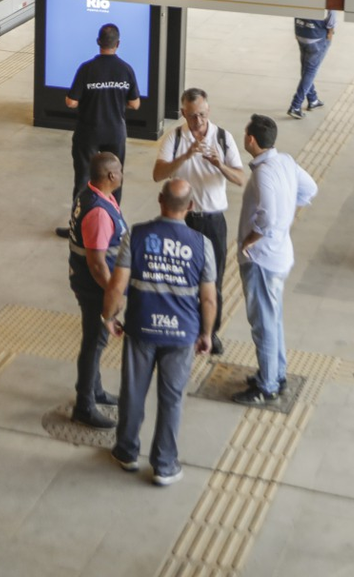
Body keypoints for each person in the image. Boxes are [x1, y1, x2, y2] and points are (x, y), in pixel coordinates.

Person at [102, 179, 216, 486]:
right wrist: (206, 333)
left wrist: (109, 316)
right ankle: (165, 465)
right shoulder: (201, 244)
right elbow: (208, 297)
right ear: (191, 207)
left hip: (141, 327)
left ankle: (126, 452)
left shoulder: (136, 234)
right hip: (182, 335)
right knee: (172, 399)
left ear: (159, 200)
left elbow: (116, 285)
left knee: (133, 392)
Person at [150, 87, 244, 355]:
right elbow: (158, 174)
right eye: (192, 116)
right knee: (179, 277)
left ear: (209, 111)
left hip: (213, 220)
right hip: (183, 221)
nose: (198, 122)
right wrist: (187, 154)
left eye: (202, 115)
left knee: (213, 280)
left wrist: (219, 164)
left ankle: (209, 333)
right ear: (183, 114)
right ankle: (182, 329)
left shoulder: (223, 138)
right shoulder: (174, 139)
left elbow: (240, 178)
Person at [232, 114, 317, 406]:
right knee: (274, 317)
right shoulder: (287, 162)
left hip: (261, 261)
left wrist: (249, 240)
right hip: (280, 256)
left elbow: (266, 216)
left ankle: (267, 385)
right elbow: (310, 189)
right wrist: (288, 215)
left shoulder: (264, 173)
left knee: (263, 323)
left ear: (251, 140)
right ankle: (277, 374)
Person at [58, 23, 140, 237]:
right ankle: (114, 224)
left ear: (98, 42)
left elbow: (71, 102)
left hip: (88, 131)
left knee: (83, 177)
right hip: (115, 131)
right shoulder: (126, 69)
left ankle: (78, 225)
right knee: (115, 177)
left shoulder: (86, 68)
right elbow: (135, 104)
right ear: (118, 44)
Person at [65, 152, 127, 429]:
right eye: (120, 171)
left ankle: (95, 389)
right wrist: (115, 293)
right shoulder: (99, 213)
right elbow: (97, 263)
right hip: (94, 288)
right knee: (94, 341)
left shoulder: (92, 195)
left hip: (91, 283)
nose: (123, 175)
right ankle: (84, 405)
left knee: (95, 340)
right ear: (111, 176)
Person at [288, 12, 336, 118]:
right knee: (310, 71)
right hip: (317, 36)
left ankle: (313, 99)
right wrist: (330, 34)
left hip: (301, 32)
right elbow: (331, 16)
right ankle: (295, 106)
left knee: (306, 69)